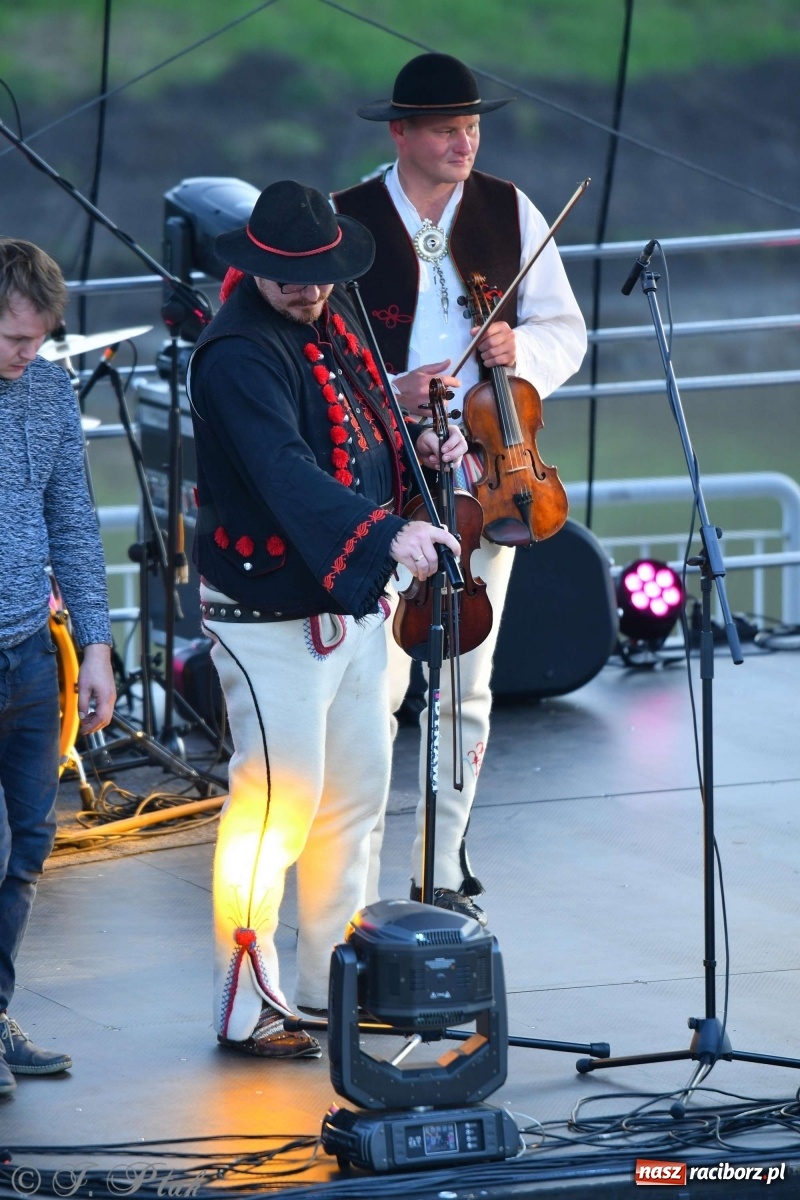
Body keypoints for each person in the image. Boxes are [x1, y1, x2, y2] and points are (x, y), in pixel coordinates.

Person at [187, 180, 466, 1058]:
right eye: (290, 278)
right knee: (276, 804)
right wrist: (389, 530)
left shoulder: (332, 320)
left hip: (345, 604)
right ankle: (250, 998)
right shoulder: (234, 353)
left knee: (351, 798)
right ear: (257, 268)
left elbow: (357, 428)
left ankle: (328, 983)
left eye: (318, 276)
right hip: (266, 611)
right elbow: (287, 470)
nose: (309, 290)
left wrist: (415, 443)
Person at [333, 52, 587, 925]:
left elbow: (566, 330)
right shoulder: (350, 222)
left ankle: (442, 870)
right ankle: (354, 891)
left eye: (472, 126)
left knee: (468, 685)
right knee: (381, 690)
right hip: (387, 476)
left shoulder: (508, 208)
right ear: (400, 131)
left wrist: (523, 356)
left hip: (487, 473)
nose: (464, 141)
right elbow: (317, 359)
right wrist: (387, 392)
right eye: (446, 127)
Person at [0, 238, 116, 1097]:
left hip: (32, 657)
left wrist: (99, 643)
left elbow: (73, 520)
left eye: (37, 339)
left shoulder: (47, 387)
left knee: (30, 843)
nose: (25, 355)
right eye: (11, 340)